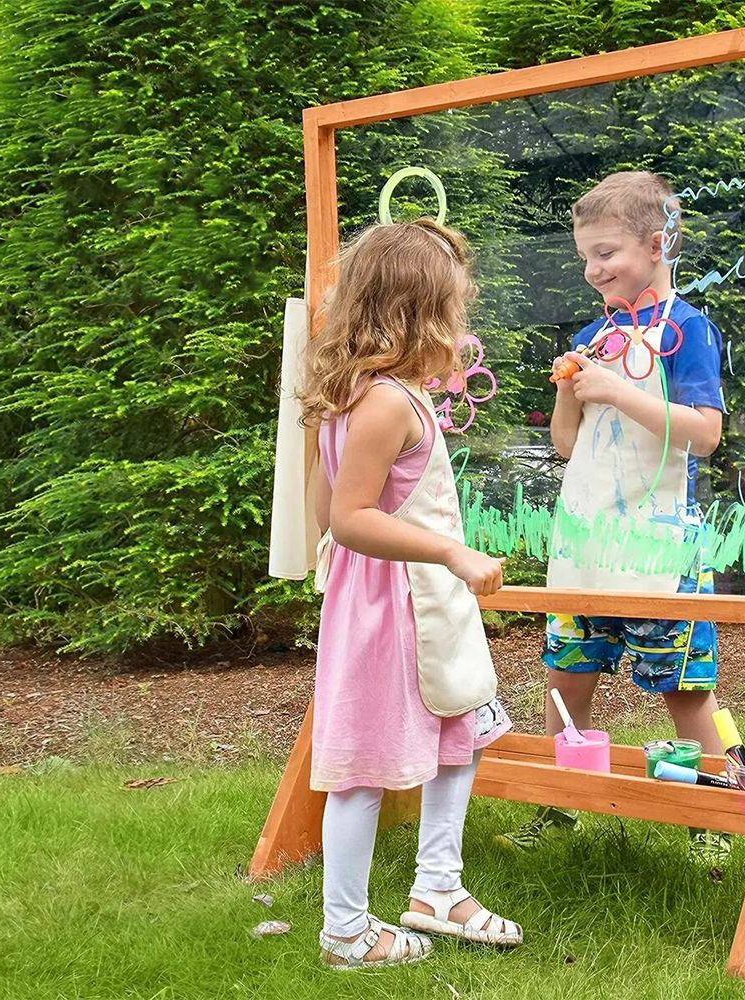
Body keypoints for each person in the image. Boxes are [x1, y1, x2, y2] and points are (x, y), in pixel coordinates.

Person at [299, 218, 523, 970]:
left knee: (463, 727)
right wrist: (452, 551)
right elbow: (348, 517)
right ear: (419, 313)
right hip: (395, 609)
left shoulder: (355, 395)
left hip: (415, 603)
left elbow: (324, 504)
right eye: (453, 310)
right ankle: (345, 932)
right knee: (364, 767)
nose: (460, 328)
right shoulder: (388, 402)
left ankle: (438, 888)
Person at [495, 171, 730, 860]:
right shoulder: (593, 335)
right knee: (567, 680)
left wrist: (616, 391)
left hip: (658, 548)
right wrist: (570, 388)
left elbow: (705, 434)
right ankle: (558, 808)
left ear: (658, 245)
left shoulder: (688, 330)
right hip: (584, 542)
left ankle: (714, 820)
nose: (593, 270)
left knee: (684, 689)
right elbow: (567, 445)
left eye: (606, 253)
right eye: (586, 258)